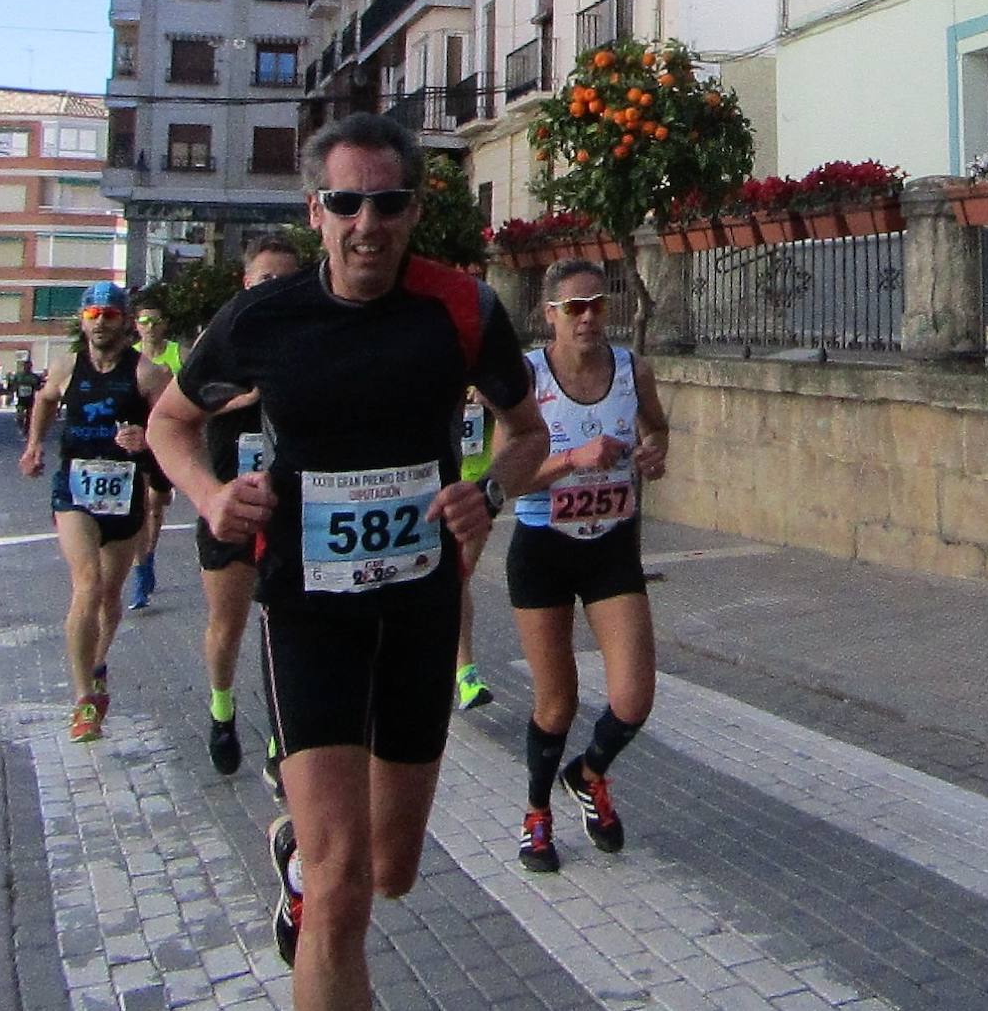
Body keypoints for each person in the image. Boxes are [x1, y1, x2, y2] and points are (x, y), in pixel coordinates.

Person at [147, 113, 549, 1011]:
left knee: (391, 872)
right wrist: (211, 498)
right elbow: (172, 423)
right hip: (308, 609)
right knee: (341, 890)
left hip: (417, 615)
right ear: (315, 211)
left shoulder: (463, 309)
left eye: (388, 201)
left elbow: (526, 433)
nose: (367, 223)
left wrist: (484, 495)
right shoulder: (261, 317)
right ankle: (311, 864)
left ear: (414, 210)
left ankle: (300, 847)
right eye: (346, 202)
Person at [507, 259, 669, 875]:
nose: (588, 317)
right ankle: (535, 813)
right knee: (557, 702)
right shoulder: (527, 377)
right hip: (543, 546)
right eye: (573, 307)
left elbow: (657, 429)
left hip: (610, 545)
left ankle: (589, 772)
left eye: (597, 304)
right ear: (548, 315)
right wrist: (574, 457)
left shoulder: (632, 369)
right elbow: (509, 472)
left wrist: (655, 453)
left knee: (633, 697)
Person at [18, 282, 170, 743]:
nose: (100, 321)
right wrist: (34, 446)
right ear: (82, 319)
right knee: (87, 583)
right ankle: (84, 698)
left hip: (125, 493)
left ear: (124, 320)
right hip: (75, 487)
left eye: (109, 313)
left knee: (109, 596)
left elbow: (176, 428)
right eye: (92, 314)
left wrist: (146, 440)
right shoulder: (67, 365)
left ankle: (98, 662)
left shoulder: (146, 374)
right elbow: (45, 401)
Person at [190, 233, 302, 783]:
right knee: (228, 622)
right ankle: (222, 709)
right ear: (246, 284)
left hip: (290, 511)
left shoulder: (312, 341)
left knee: (282, 624)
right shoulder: (225, 337)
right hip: (231, 505)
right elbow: (183, 411)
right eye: (265, 281)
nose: (276, 290)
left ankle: (284, 738)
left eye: (288, 280)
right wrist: (245, 397)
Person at [128, 302, 183, 610]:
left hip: (166, 440)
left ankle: (148, 556)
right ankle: (141, 570)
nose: (149, 326)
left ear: (164, 325)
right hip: (137, 442)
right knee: (144, 506)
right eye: (144, 321)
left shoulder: (178, 354)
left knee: (156, 507)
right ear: (136, 325)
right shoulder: (129, 356)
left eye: (154, 321)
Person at [455, 388, 494, 710]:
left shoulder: (485, 354)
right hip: (426, 485)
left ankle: (466, 674)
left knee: (458, 578)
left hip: (475, 487)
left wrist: (491, 394)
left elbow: (523, 421)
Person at [12, 361, 41, 437]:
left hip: (30, 398)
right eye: (26, 366)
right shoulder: (18, 376)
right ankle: (21, 426)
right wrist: (14, 389)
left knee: (29, 415)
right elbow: (13, 384)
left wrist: (36, 388)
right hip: (21, 398)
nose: (27, 368)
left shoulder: (34, 377)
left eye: (29, 366)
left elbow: (39, 386)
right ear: (24, 367)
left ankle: (26, 430)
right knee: (20, 415)